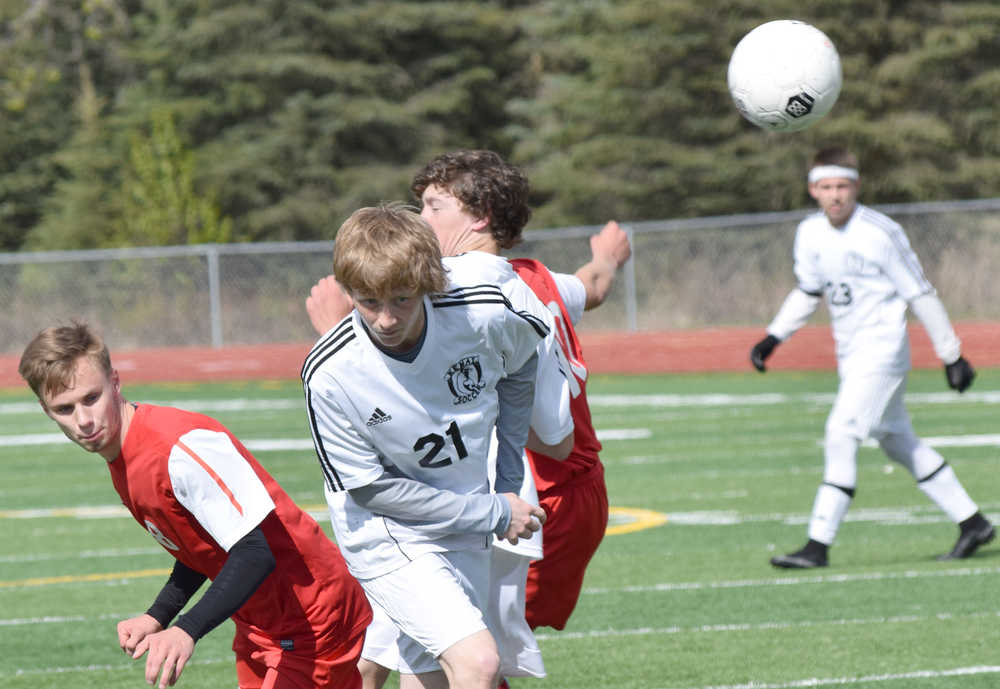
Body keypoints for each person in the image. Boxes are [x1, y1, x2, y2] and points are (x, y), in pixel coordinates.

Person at [18, 321, 372, 689]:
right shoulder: (122, 459)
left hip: (312, 617)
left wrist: (186, 629)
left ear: (115, 382)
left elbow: (255, 553)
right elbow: (201, 548)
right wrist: (158, 615)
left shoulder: (177, 450)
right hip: (260, 618)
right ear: (46, 411)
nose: (83, 420)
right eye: (65, 408)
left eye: (92, 398)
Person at [301, 202, 550, 689]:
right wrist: (495, 512)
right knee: (479, 662)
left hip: (465, 514)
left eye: (401, 299)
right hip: (387, 533)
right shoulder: (331, 374)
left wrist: (506, 479)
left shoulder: (482, 311)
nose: (386, 319)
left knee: (430, 678)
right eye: (369, 302)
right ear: (348, 291)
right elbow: (372, 491)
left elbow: (522, 364)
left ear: (428, 284)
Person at [750, 145, 993, 569]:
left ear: (857, 186)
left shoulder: (879, 232)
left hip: (882, 352)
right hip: (852, 354)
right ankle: (973, 523)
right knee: (898, 441)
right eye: (826, 187)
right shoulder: (809, 234)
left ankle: (817, 545)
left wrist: (951, 354)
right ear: (812, 189)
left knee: (841, 432)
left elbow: (920, 292)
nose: (835, 195)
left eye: (842, 185)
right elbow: (809, 291)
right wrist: (773, 337)